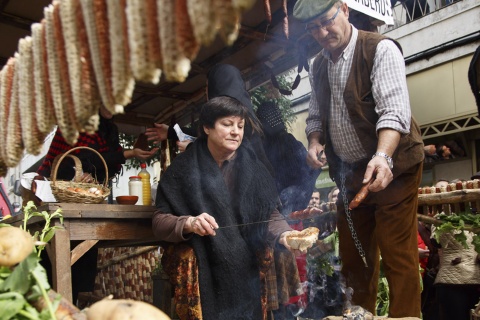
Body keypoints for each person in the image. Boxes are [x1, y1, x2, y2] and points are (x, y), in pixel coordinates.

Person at [293, 0, 425, 317]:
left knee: (396, 251)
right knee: (353, 257)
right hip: (350, 176)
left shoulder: (379, 49)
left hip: (393, 167)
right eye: (314, 28)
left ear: (344, 10)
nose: (323, 33)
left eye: (327, 21)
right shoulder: (319, 66)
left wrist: (382, 157)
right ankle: (359, 314)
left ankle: (406, 316)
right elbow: (314, 118)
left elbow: (395, 113)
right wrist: (314, 142)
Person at [152, 96, 299, 320]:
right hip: (205, 254)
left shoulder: (253, 166)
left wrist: (285, 234)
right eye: (227, 124)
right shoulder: (183, 168)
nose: (236, 132)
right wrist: (189, 223)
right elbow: (159, 221)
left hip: (245, 256)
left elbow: (267, 213)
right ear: (207, 128)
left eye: (240, 126)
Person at [36, 106, 158, 305]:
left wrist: (130, 152)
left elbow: (107, 162)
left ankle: (73, 306)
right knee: (54, 265)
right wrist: (129, 153)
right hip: (61, 199)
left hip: (90, 200)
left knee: (83, 264)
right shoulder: (78, 121)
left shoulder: (110, 129)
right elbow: (77, 159)